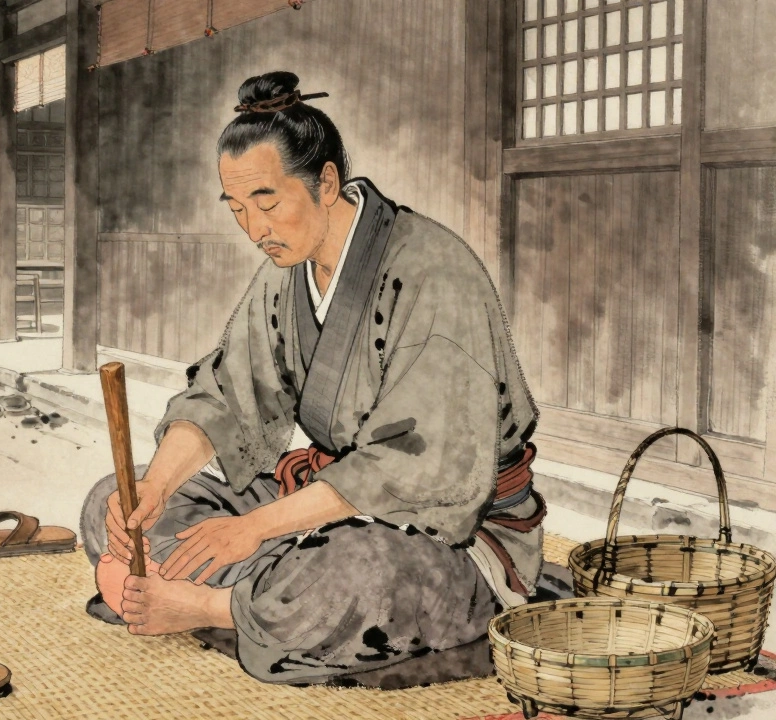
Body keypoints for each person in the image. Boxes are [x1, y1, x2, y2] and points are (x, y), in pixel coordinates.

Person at [79, 72, 544, 688]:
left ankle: (205, 606)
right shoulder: (285, 271)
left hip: (449, 537)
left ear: (326, 183)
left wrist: (252, 529)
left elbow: (410, 468)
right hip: (325, 505)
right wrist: (157, 488)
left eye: (267, 203)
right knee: (110, 500)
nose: (253, 227)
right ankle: (256, 597)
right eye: (238, 208)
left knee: (352, 574)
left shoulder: (434, 272)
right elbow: (228, 391)